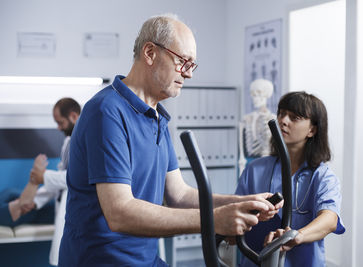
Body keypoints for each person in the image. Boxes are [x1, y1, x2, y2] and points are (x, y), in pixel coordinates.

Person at [59, 14, 283, 267]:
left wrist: (242, 202)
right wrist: (214, 219)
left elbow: (179, 195)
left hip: (144, 260)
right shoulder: (106, 111)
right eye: (183, 62)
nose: (189, 74)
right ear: (150, 52)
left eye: (192, 65)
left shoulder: (157, 117)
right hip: (101, 262)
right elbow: (119, 213)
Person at [235, 91, 345, 267]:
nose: (283, 121)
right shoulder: (255, 170)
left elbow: (330, 219)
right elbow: (236, 219)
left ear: (312, 130)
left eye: (294, 117)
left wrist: (296, 236)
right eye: (281, 114)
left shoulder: (323, 176)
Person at [0, 97, 81, 266]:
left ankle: (19, 205)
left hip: (75, 210)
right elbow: (61, 177)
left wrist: (42, 177)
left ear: (73, 116)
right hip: (60, 204)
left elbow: (79, 179)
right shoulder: (68, 141)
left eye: (60, 122)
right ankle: (22, 203)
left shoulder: (86, 141)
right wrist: (35, 201)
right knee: (10, 194)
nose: (58, 128)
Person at [238, 78, 276, 174]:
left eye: (258, 95)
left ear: (266, 95)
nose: (255, 99)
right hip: (249, 161)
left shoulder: (272, 118)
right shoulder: (247, 119)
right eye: (253, 95)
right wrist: (241, 159)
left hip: (268, 161)